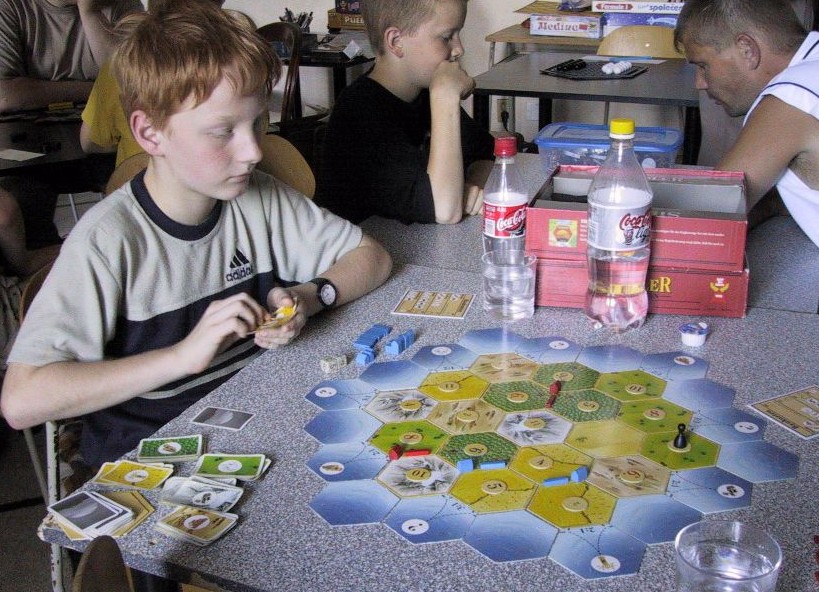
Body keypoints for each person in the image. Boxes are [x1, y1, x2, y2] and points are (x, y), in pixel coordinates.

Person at [0, 1, 393, 470]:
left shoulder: (260, 195)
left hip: (256, 435)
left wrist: (310, 297)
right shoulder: (107, 240)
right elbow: (21, 400)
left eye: (257, 122)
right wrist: (182, 356)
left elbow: (372, 256)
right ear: (150, 133)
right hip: (151, 465)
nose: (253, 151)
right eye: (222, 131)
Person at [314, 0, 495, 225]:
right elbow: (444, 210)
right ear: (396, 42)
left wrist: (470, 188)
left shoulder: (423, 93)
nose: (459, 49)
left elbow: (485, 152)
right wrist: (446, 96)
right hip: (370, 241)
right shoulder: (360, 112)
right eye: (447, 37)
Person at [675, 0, 819, 247]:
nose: (700, 83)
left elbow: (707, 214)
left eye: (703, 65)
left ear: (747, 49)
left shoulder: (791, 97)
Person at [0, 0, 143, 113]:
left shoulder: (124, 4)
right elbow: (4, 96)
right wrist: (99, 91)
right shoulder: (9, 6)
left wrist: (90, 13)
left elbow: (135, 85)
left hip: (110, 125)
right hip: (28, 130)